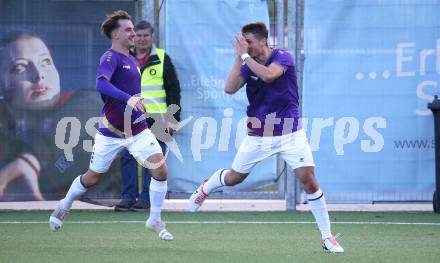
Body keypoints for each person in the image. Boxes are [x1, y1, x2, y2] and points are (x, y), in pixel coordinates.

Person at [188, 22, 344, 253]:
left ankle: (327, 237)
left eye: (248, 42)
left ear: (263, 41)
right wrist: (239, 57)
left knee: (309, 180)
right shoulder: (246, 62)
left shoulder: (282, 56)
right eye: (242, 42)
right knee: (233, 178)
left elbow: (270, 76)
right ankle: (206, 187)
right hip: (258, 135)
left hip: (290, 133)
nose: (245, 46)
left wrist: (244, 56)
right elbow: (229, 89)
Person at [49, 10, 173, 241]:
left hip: (137, 130)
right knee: (92, 178)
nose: (133, 33)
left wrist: (138, 101)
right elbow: (101, 85)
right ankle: (64, 205)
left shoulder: (131, 58)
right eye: (128, 30)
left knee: (161, 170)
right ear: (115, 35)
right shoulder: (110, 57)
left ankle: (154, 219)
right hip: (111, 134)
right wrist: (129, 99)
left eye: (133, 29)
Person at [0, 31, 103, 201]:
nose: (38, 75)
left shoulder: (86, 104)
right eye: (20, 68)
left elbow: (88, 108)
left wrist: (29, 159)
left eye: (45, 62)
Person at [115, 20, 181, 212]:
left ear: (152, 37)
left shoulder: (162, 58)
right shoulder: (124, 58)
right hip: (130, 117)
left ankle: (145, 199)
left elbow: (174, 91)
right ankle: (128, 198)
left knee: (152, 160)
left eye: (146, 35)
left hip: (159, 120)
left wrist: (172, 118)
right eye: (139, 35)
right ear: (133, 37)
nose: (142, 39)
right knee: (128, 156)